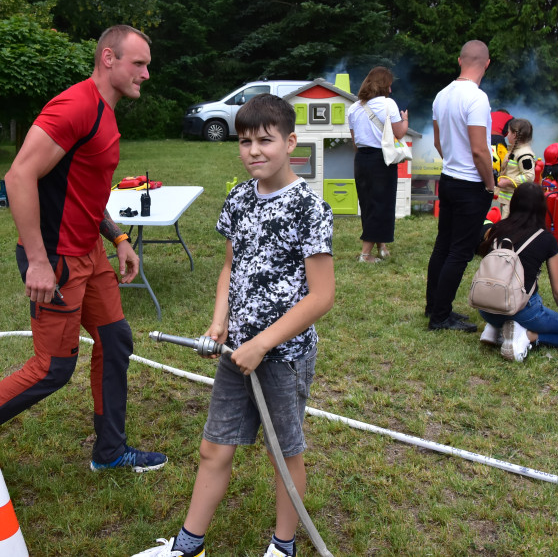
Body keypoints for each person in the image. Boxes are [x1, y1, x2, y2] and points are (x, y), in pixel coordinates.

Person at [0, 25, 166, 500]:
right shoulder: (75, 106)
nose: (147, 73)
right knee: (52, 368)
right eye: (139, 64)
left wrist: (117, 237)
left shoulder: (106, 115)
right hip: (54, 260)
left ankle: (110, 450)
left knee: (115, 341)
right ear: (108, 58)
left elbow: (83, 191)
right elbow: (19, 176)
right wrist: (37, 260)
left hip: (89, 253)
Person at [133, 94, 335, 557]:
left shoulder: (309, 207)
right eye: (245, 142)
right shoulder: (240, 196)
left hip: (282, 357)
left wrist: (263, 344)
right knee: (214, 448)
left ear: (291, 142)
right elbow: (230, 267)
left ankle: (283, 547)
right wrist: (220, 323)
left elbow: (322, 295)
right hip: (235, 352)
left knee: (284, 455)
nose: (254, 151)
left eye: (265, 140)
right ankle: (188, 546)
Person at [425, 40, 496, 332]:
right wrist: (490, 185)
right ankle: (441, 317)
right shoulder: (477, 98)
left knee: (443, 246)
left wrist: (453, 162)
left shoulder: (442, 95)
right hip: (470, 183)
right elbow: (480, 150)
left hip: (449, 178)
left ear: (459, 60)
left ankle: (434, 306)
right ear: (487, 63)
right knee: (460, 252)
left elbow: (438, 142)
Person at [476, 183, 558, 361]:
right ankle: (528, 336)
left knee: (502, 314)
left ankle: (495, 327)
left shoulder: (496, 228)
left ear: (514, 203)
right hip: (521, 309)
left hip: (486, 306)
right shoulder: (545, 239)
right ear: (542, 207)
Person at [347, 66, 409, 262]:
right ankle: (366, 254)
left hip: (361, 160)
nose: (390, 90)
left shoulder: (353, 108)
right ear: (383, 86)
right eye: (389, 86)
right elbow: (399, 133)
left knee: (368, 204)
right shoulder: (388, 104)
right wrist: (405, 119)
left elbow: (355, 141)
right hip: (381, 160)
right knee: (381, 204)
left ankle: (381, 245)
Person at [495, 118, 536, 218]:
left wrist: (508, 182)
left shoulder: (524, 155)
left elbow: (529, 176)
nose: (507, 134)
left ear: (515, 135)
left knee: (507, 228)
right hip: (508, 199)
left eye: (509, 132)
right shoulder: (515, 150)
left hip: (515, 200)